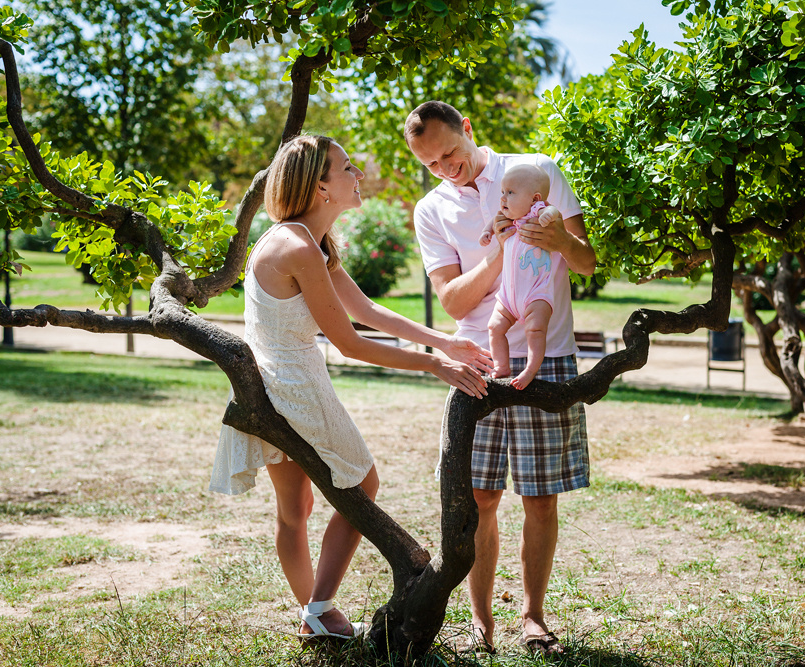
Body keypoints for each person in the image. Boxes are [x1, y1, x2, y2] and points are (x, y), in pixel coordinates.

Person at [209, 134, 493, 642]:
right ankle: (318, 610)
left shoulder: (305, 241)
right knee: (362, 485)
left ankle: (316, 614)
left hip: (275, 384)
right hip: (293, 386)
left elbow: (366, 311)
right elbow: (350, 342)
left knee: (295, 511)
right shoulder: (296, 246)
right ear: (321, 186)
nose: (357, 173)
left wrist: (443, 342)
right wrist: (433, 365)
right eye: (347, 168)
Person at [404, 101, 596, 657]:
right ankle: (481, 620)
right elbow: (452, 298)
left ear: (469, 129)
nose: (446, 168)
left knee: (540, 498)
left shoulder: (537, 170)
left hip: (549, 356)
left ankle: (534, 617)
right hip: (478, 365)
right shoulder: (431, 210)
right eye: (432, 163)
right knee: (480, 498)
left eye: (451, 153)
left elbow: (585, 262)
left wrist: (557, 240)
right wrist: (500, 249)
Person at [480, 164, 564, 390]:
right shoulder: (507, 217)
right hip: (507, 296)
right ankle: (501, 366)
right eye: (502, 192)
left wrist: (547, 214)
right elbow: (495, 219)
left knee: (535, 330)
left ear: (534, 198)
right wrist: (488, 232)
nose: (503, 198)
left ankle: (530, 369)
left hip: (536, 294)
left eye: (510, 192)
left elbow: (554, 212)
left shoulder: (538, 212)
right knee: (494, 327)